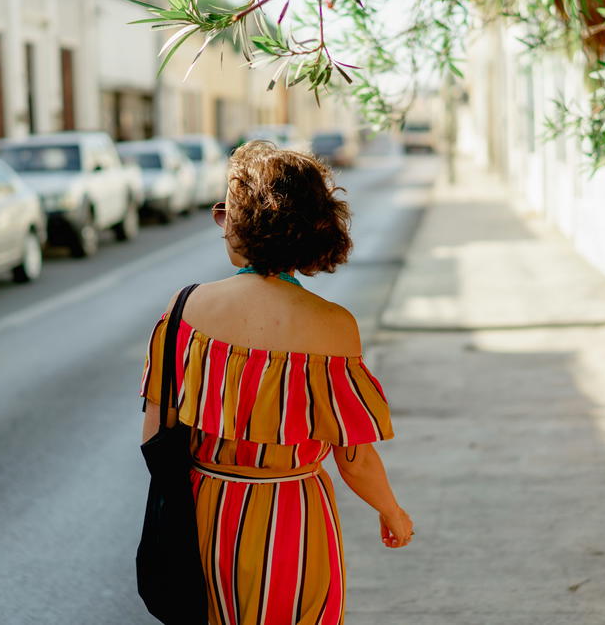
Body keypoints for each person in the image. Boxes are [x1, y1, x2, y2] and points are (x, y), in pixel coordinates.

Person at [139, 141, 413, 624]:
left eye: (227, 211)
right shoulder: (334, 327)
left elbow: (155, 438)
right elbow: (355, 458)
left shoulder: (185, 310)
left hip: (207, 520)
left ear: (245, 224)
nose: (221, 223)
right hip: (298, 519)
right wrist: (392, 511)